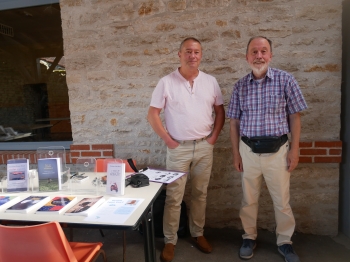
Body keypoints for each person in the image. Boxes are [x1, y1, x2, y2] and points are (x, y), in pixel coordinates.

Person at [227, 36, 307, 262]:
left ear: (271, 55)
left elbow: (295, 116)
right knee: (248, 199)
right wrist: (236, 153)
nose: (259, 56)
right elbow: (233, 122)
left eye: (263, 51)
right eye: (254, 51)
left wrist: (295, 150)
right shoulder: (240, 86)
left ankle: (285, 242)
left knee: (281, 200)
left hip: (279, 151)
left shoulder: (286, 80)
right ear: (247, 57)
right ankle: (249, 237)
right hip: (248, 151)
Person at [147, 37, 225, 262]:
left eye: (197, 52)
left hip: (203, 147)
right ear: (179, 55)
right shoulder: (166, 82)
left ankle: (198, 234)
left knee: (200, 194)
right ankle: (169, 240)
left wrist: (213, 139)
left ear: (201, 55)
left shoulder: (210, 81)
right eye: (188, 51)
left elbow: (220, 112)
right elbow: (152, 114)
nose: (193, 56)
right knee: (174, 197)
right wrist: (168, 140)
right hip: (178, 149)